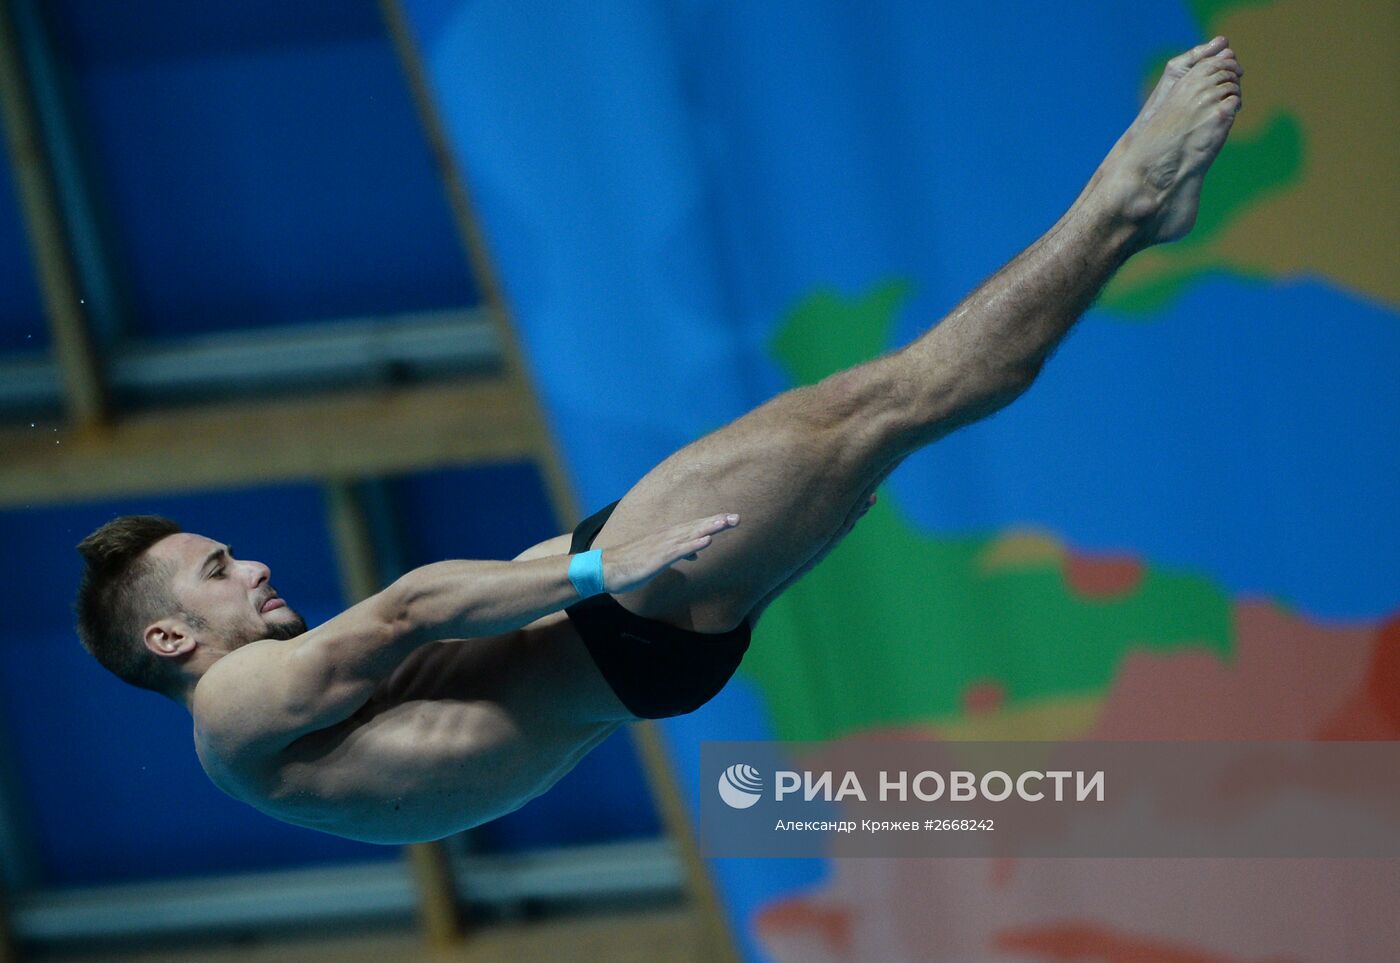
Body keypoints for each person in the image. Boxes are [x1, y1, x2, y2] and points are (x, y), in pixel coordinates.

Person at [74, 40, 1242, 843]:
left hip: (635, 655)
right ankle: (1127, 203)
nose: (258, 566)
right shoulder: (230, 711)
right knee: (895, 397)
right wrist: (600, 569)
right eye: (219, 570)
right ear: (170, 635)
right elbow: (407, 614)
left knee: (886, 422)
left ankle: (1129, 223)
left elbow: (475, 723)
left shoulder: (273, 752)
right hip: (618, 602)